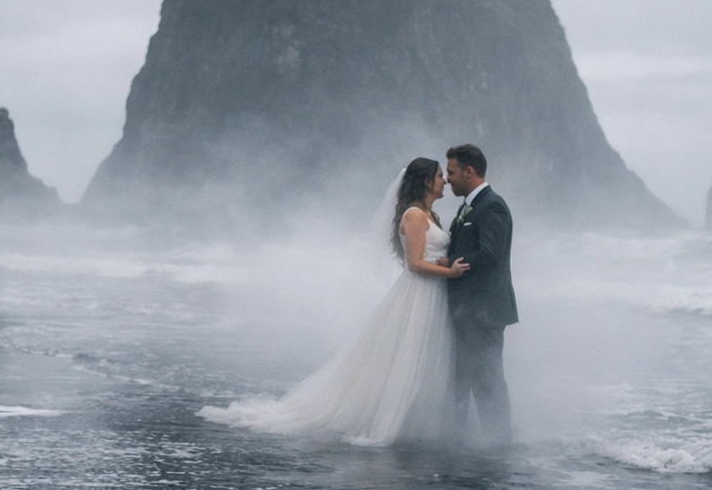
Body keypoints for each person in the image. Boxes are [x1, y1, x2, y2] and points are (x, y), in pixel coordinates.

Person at [200, 157, 467, 445]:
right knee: (407, 358)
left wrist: (442, 263)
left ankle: (417, 422)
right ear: (427, 181)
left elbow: (427, 255)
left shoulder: (430, 215)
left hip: (432, 294)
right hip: (419, 295)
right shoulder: (415, 215)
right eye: (440, 175)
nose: (445, 181)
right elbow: (414, 264)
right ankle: (392, 422)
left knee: (420, 359)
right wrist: (448, 271)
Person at [444, 143, 517, 446]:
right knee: (461, 379)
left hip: (484, 313)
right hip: (466, 312)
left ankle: (499, 444)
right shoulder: (468, 207)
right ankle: (457, 442)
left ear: (469, 171)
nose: (447, 179)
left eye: (451, 172)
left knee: (488, 381)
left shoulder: (492, 206)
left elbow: (489, 254)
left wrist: (446, 265)